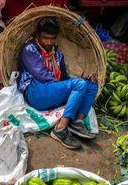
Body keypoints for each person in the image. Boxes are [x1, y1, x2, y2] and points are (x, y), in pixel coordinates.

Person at [18, 17, 98, 150]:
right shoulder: (30, 49)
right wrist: (72, 85)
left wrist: (81, 81)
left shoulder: (57, 55)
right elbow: (42, 76)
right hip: (36, 91)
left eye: (52, 38)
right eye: (45, 38)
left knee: (91, 85)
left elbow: (64, 78)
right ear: (37, 35)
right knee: (79, 84)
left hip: (52, 89)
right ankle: (60, 129)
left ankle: (77, 122)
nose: (49, 42)